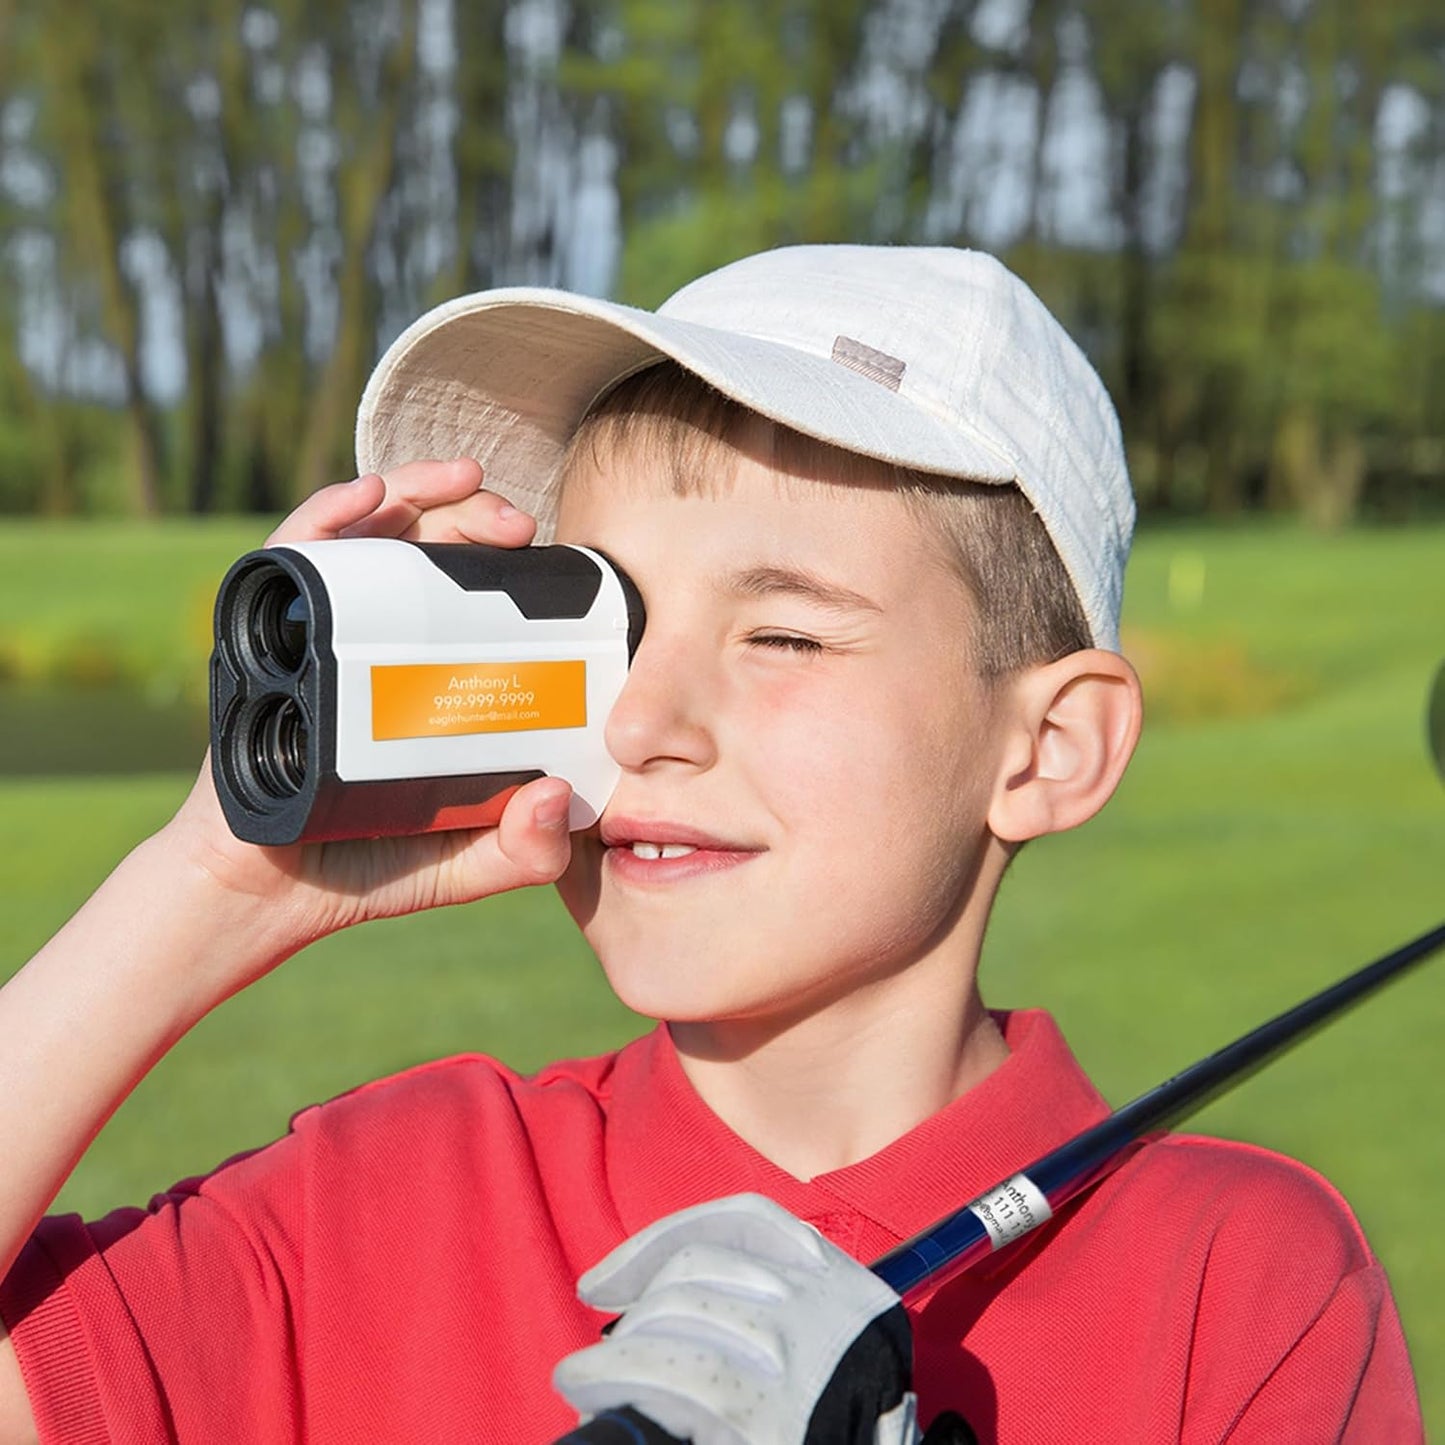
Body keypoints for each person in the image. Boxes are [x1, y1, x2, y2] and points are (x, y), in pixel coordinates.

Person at [0, 245, 1421, 1444]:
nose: (640, 723)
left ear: (1043, 749)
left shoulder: (1234, 1281)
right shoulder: (389, 1197)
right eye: (605, 627)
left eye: (783, 633)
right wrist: (212, 885)